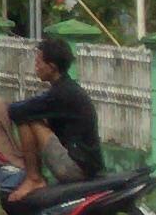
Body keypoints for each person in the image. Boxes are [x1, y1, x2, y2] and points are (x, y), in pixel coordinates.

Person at [8, 34, 106, 181]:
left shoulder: (61, 94)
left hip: (77, 168)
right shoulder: (66, 89)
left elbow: (18, 110)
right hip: (87, 165)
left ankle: (33, 178)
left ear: (52, 67)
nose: (36, 67)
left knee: (27, 118)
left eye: (39, 63)